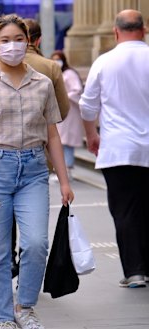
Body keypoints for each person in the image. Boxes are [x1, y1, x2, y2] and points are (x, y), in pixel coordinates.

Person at [0, 14, 74, 329]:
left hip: (34, 169)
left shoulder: (43, 82)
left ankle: (25, 306)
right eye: (5, 40)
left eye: (18, 39)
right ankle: (3, 317)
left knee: (36, 243)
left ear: (30, 42)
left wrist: (65, 181)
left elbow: (52, 135)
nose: (12, 46)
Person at [79, 9, 149, 289]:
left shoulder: (104, 62)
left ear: (116, 32)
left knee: (125, 210)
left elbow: (87, 105)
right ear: (143, 30)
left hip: (118, 149)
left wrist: (91, 135)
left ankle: (135, 271)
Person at [50, 50, 84, 180]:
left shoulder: (69, 73)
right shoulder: (57, 74)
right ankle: (61, 170)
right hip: (59, 111)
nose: (56, 62)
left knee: (66, 141)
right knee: (60, 141)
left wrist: (64, 96)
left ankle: (67, 169)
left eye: (58, 59)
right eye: (53, 59)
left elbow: (77, 90)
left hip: (69, 111)